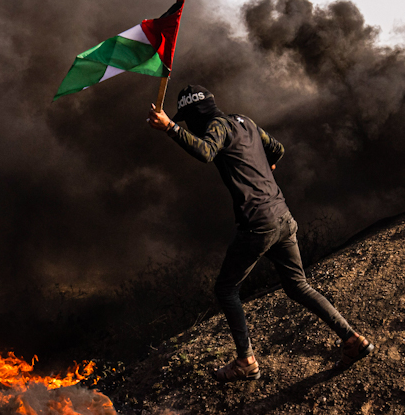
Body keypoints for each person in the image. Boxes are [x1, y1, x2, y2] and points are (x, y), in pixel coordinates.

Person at [147, 84, 372, 381]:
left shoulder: (217, 126)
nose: (191, 126)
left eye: (188, 120)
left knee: (226, 290)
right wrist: (261, 169)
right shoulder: (244, 121)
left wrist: (171, 128)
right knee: (297, 286)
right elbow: (277, 149)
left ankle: (246, 361)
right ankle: (353, 339)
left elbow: (205, 152)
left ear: (195, 114)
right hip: (282, 216)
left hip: (258, 224)